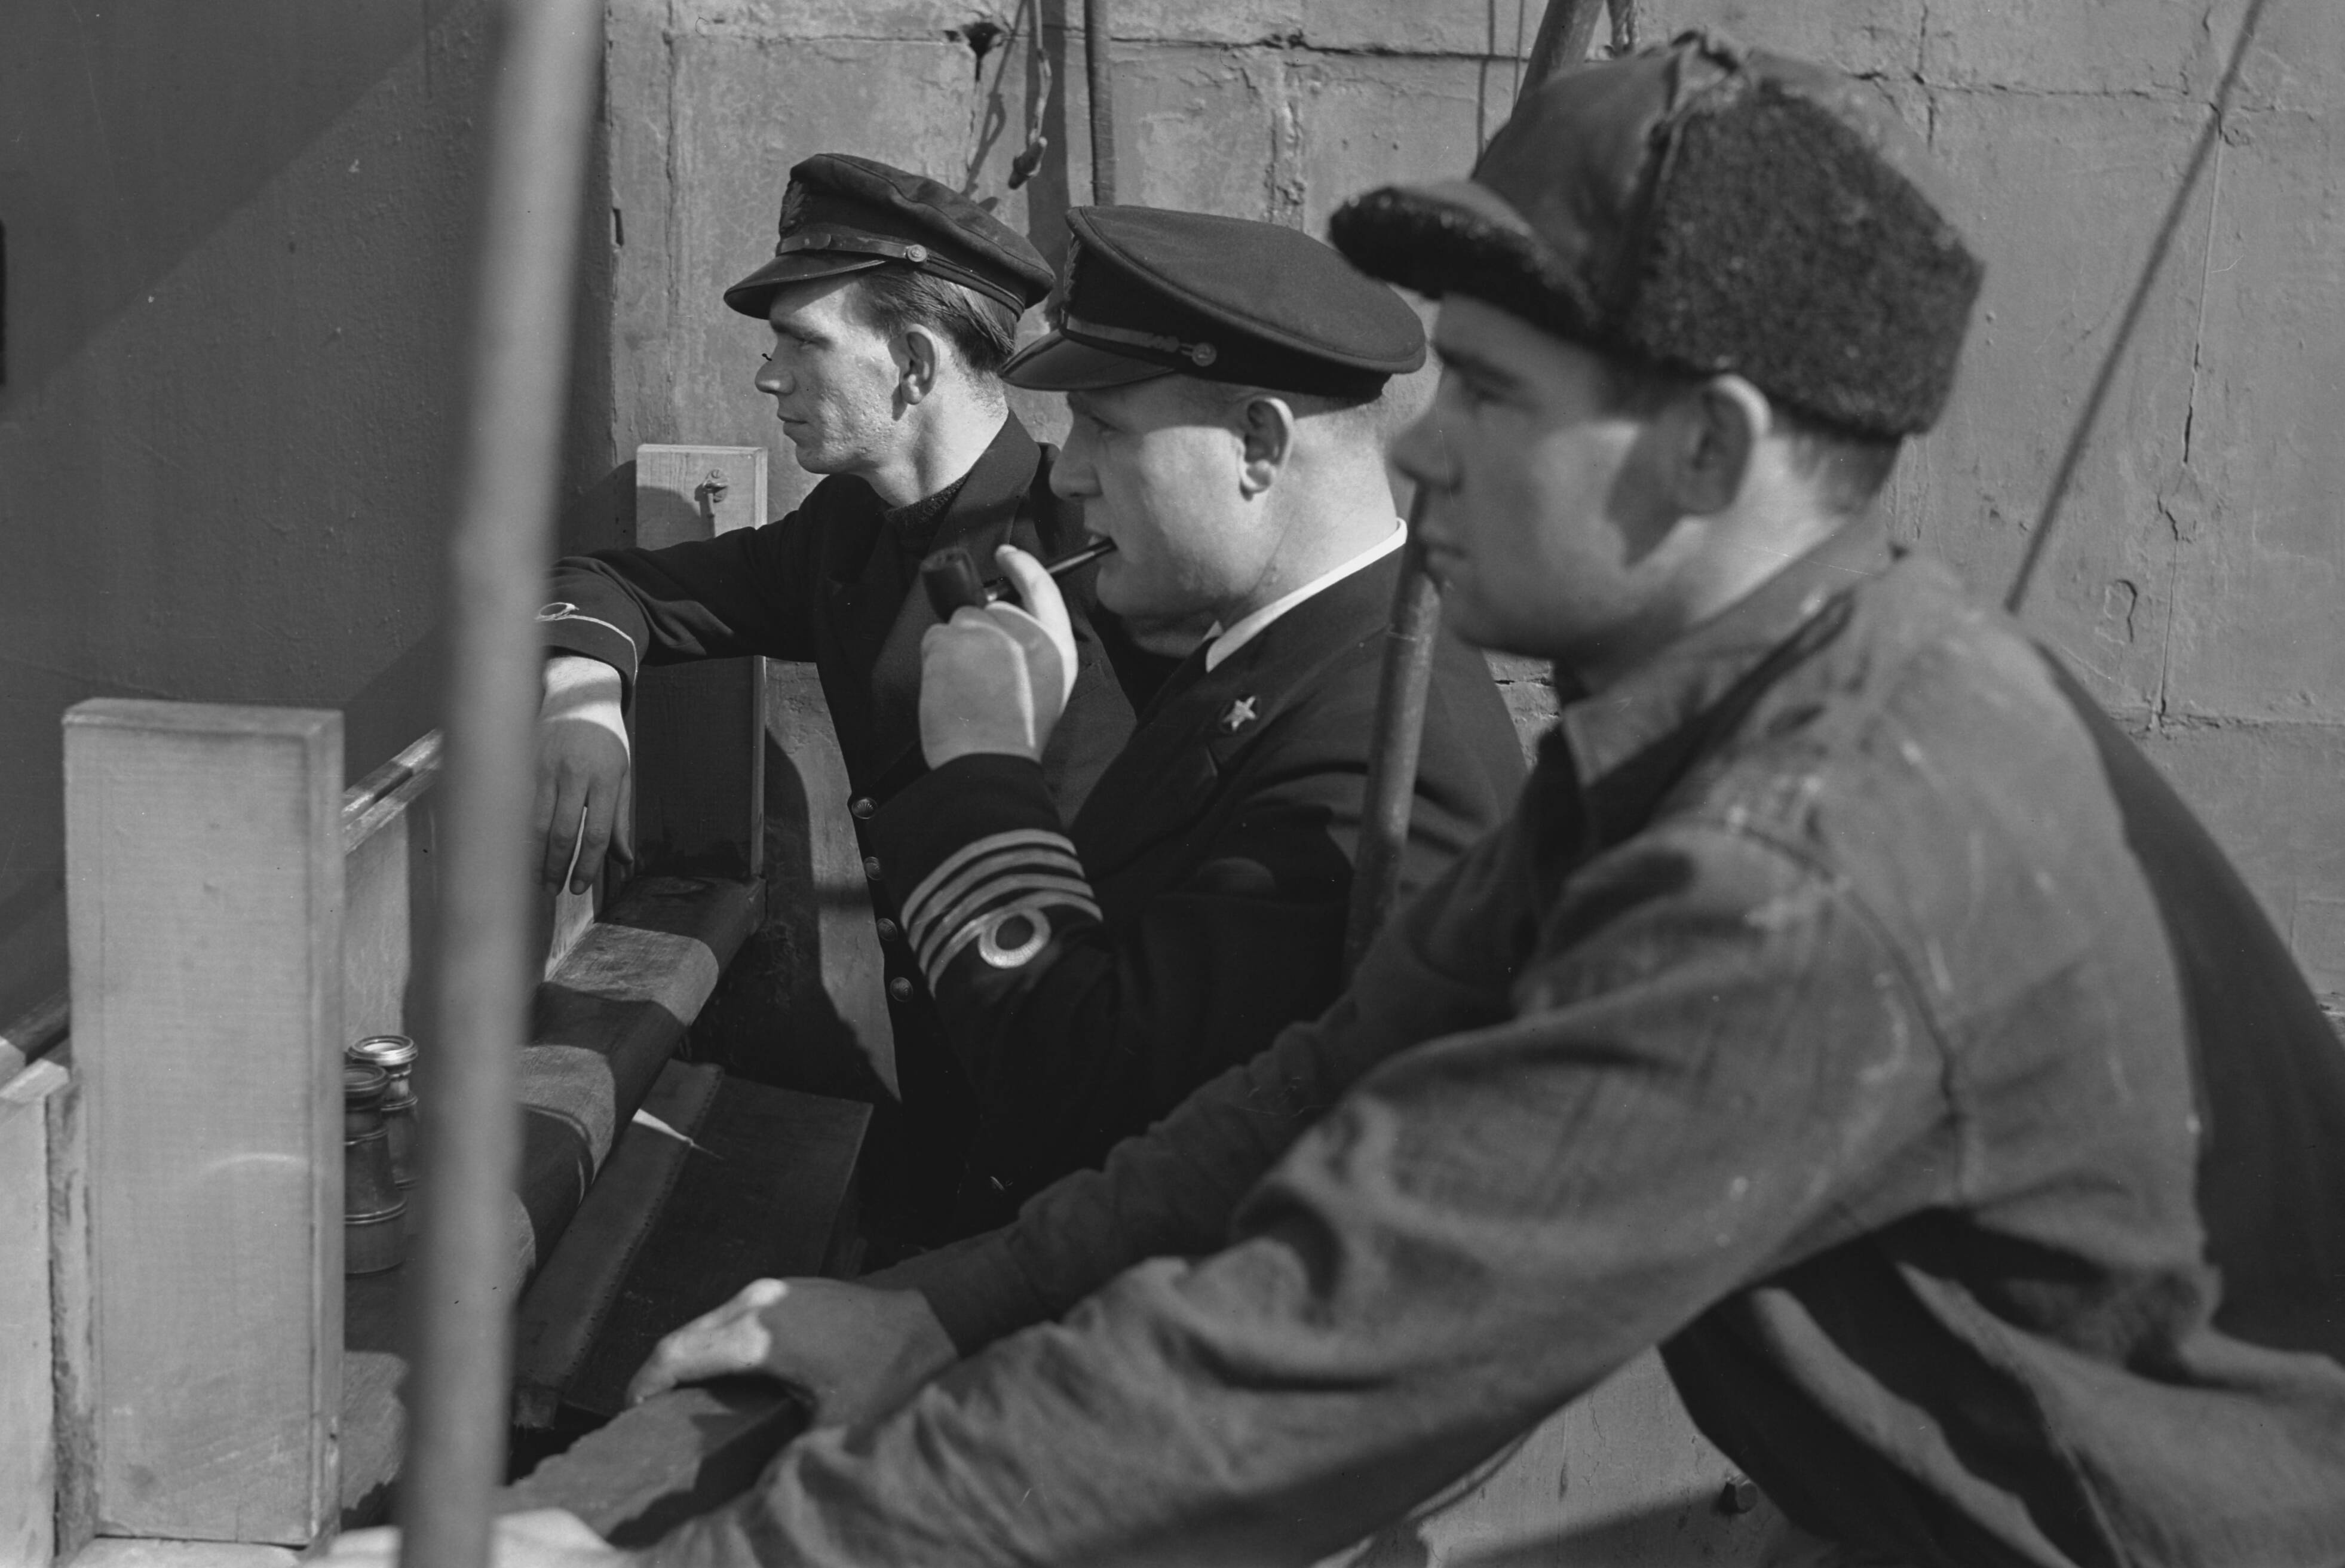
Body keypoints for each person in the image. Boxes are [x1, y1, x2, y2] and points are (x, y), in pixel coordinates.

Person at [329, 33, 2345, 1568]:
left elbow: (1328, 1350)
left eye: (1492, 396)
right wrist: (939, 1307)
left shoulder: (1802, 858)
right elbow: (1328, 1078)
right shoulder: (1717, 720)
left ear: (1706, 455)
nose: (1417, 449)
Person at [864, 205, 1525, 1233]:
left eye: (1106, 427)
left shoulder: (1380, 752)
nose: (1068, 471)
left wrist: (983, 765)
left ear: (1257, 443)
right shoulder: (1292, 652)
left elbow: (1087, 1090)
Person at [529, 154, 1140, 1235]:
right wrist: (581, 695)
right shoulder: (845, 533)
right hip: (938, 1114)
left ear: (913, 364)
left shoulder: (1107, 555)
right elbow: (609, 582)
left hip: (1093, 1144)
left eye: (802, 343)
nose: (769, 378)